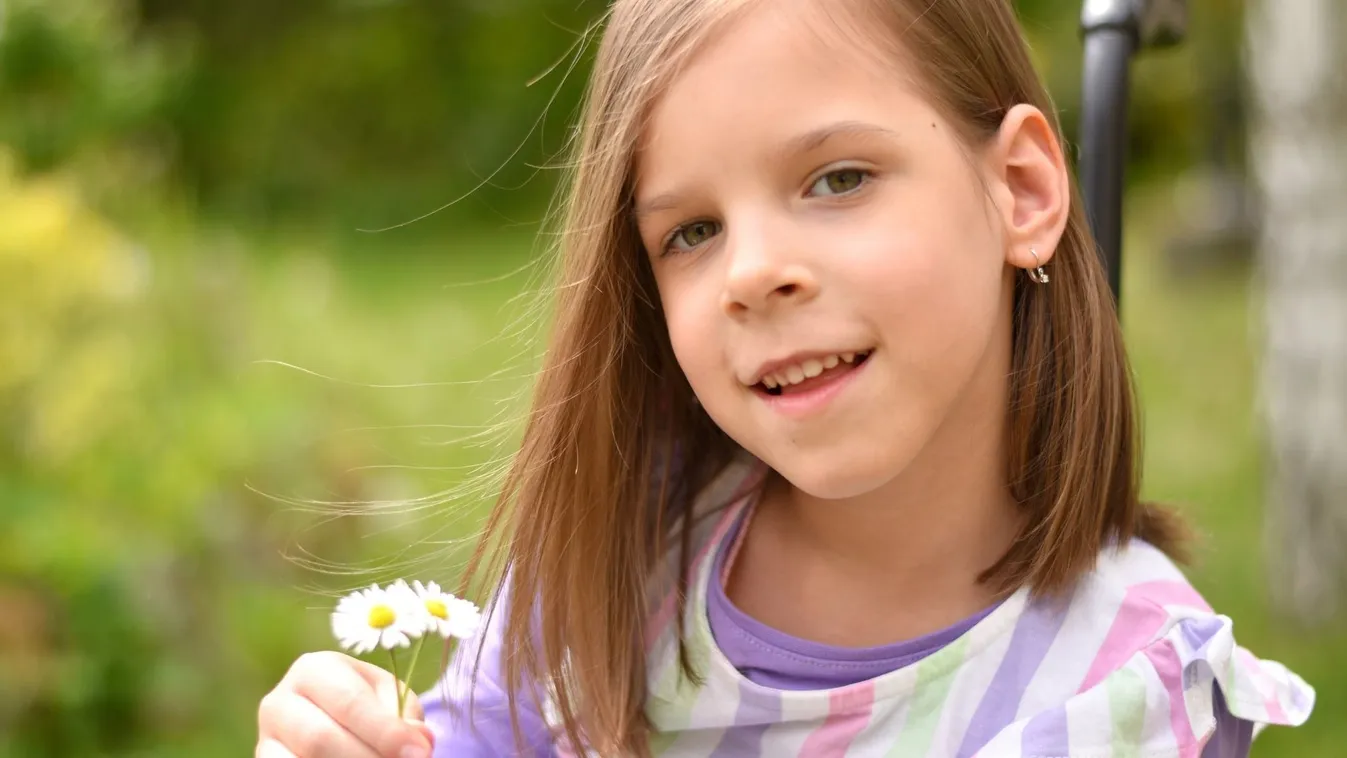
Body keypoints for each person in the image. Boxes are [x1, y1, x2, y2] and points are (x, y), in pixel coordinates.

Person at [255, 0, 1315, 755]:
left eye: (837, 178)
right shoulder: (618, 560)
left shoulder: (1116, 692)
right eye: (692, 231)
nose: (754, 274)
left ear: (1023, 188)